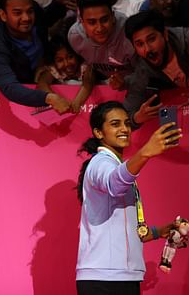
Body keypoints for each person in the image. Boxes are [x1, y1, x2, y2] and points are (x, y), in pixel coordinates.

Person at [75, 100, 182, 295]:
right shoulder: (100, 163)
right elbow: (114, 183)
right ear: (99, 133)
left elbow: (123, 230)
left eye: (127, 123)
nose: (124, 128)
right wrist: (145, 153)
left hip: (124, 277)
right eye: (115, 124)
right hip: (103, 279)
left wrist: (159, 231)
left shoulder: (117, 165)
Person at [0, 0, 70, 113]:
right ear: (3, 15)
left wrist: (59, 3)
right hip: (21, 98)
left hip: (47, 80)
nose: (26, 18)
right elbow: (10, 88)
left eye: (29, 11)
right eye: (17, 13)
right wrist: (48, 98)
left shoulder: (34, 13)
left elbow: (45, 19)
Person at [68, 0, 136, 88]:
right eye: (92, 22)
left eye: (104, 20)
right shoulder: (75, 37)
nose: (99, 28)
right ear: (81, 22)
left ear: (113, 16)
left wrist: (126, 82)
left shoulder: (130, 34)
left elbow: (146, 73)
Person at [35, 35, 95, 113]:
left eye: (70, 57)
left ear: (77, 54)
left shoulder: (85, 66)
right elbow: (42, 83)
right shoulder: (54, 69)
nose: (67, 64)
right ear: (54, 62)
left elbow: (88, 82)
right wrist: (56, 100)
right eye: (60, 60)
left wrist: (77, 103)